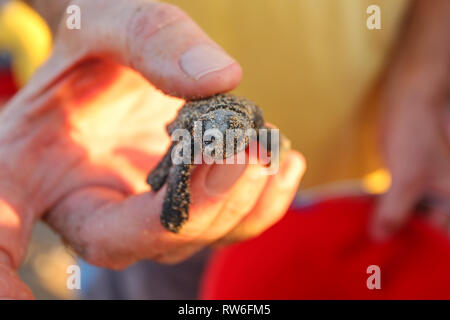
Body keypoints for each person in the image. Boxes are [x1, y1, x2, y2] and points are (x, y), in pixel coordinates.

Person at [0, 0, 448, 299]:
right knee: (165, 204)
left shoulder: (244, 133)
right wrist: (77, 12)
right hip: (124, 152)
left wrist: (424, 86)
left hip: (361, 169)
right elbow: (179, 157)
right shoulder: (190, 138)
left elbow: (253, 132)